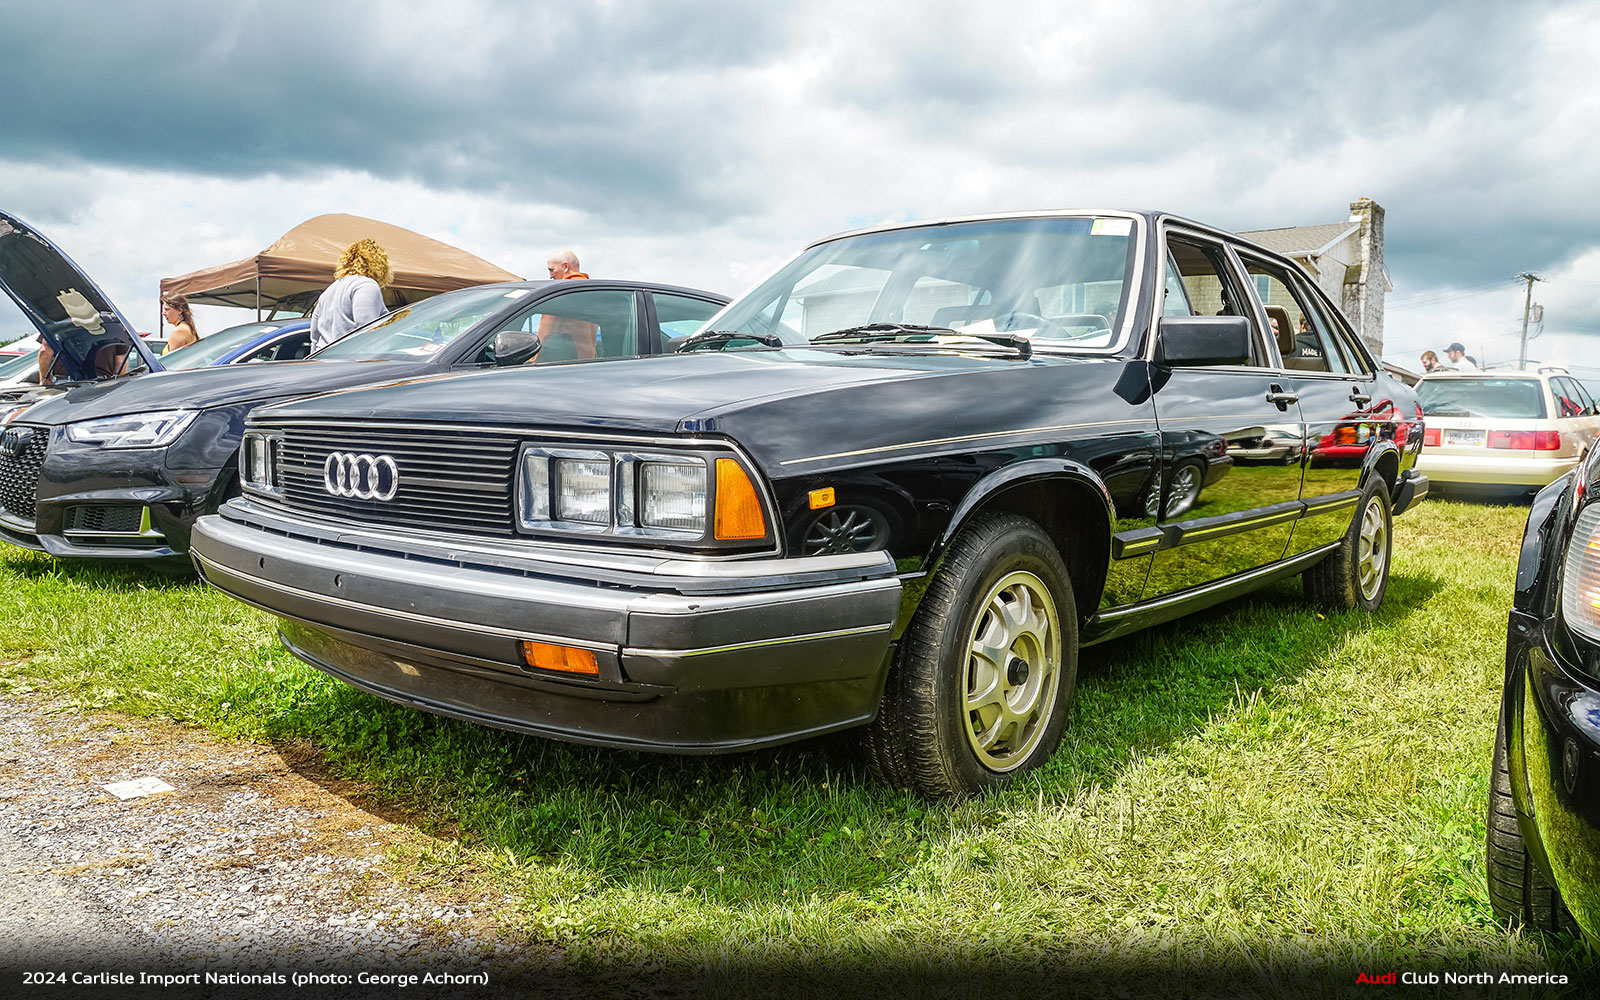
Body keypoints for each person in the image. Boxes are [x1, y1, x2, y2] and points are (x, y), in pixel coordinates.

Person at [309, 238, 392, 352]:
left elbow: (314, 335)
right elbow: (367, 329)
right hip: (350, 357)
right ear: (379, 265)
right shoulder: (366, 285)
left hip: (322, 357)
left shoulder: (329, 290)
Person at [538, 249, 597, 359]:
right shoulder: (592, 293)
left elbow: (544, 336)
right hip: (588, 362)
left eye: (552, 270)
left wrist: (531, 361)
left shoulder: (559, 294)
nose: (550, 276)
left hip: (563, 364)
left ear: (565, 266)